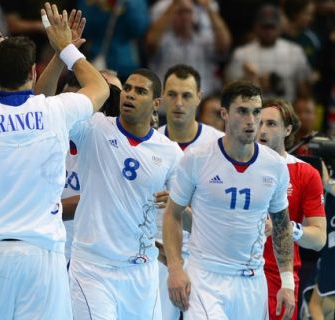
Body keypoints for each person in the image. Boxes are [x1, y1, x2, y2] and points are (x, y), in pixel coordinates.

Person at [0, 3, 109, 319]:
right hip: (40, 256)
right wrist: (66, 49)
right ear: (33, 72)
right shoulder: (56, 112)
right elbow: (99, 87)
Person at [163, 80, 296, 319]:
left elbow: (281, 225)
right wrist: (175, 267)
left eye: (256, 112)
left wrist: (287, 281)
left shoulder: (275, 166)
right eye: (242, 111)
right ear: (224, 113)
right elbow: (172, 215)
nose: (251, 120)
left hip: (252, 281)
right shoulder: (197, 158)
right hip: (205, 277)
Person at [61, 67, 182, 319]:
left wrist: (177, 204)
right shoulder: (93, 128)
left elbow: (194, 216)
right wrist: (65, 52)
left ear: (156, 103)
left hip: (141, 272)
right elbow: (45, 111)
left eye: (140, 91)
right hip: (93, 269)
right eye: (127, 88)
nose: (130, 95)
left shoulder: (170, 152)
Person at [156, 64, 224, 319]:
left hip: (206, 258)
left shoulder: (219, 146)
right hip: (161, 256)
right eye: (172, 95)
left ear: (199, 97)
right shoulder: (151, 143)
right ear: (161, 97)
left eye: (186, 95)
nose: (178, 103)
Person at [258, 98, 326, 320]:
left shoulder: (305, 173)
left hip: (280, 278)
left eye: (271, 124)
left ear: (288, 129)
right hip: (232, 272)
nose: (262, 130)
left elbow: (318, 239)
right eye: (258, 122)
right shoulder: (232, 165)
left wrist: (286, 227)